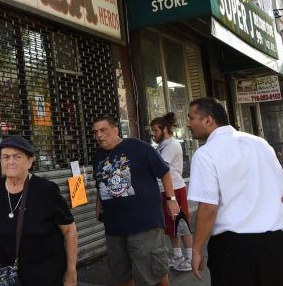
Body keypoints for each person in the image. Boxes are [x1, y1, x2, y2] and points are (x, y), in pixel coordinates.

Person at [186, 97, 283, 285]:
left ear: (208, 120)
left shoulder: (206, 153)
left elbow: (208, 207)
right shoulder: (260, 143)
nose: (188, 124)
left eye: (191, 118)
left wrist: (196, 250)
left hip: (233, 248)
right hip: (275, 243)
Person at [0, 135, 78, 286]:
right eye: (5, 157)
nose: (11, 161)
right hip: (9, 279)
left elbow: (69, 230)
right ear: (0, 161)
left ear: (30, 161)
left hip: (46, 277)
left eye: (17, 156)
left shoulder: (46, 190)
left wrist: (71, 271)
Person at [92, 116, 179, 286]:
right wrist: (99, 204)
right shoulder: (98, 156)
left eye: (103, 130)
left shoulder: (138, 147)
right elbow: (101, 182)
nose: (99, 135)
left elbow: (164, 172)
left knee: (154, 270)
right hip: (114, 226)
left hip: (144, 223)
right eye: (95, 132)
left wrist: (171, 199)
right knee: (121, 273)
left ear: (116, 130)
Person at [150, 112, 194, 272]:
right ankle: (178, 255)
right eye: (152, 130)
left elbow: (160, 167)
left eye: (155, 130)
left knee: (181, 223)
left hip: (175, 189)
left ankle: (191, 258)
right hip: (164, 190)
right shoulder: (162, 145)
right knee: (170, 226)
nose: (153, 134)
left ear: (165, 129)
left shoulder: (172, 144)